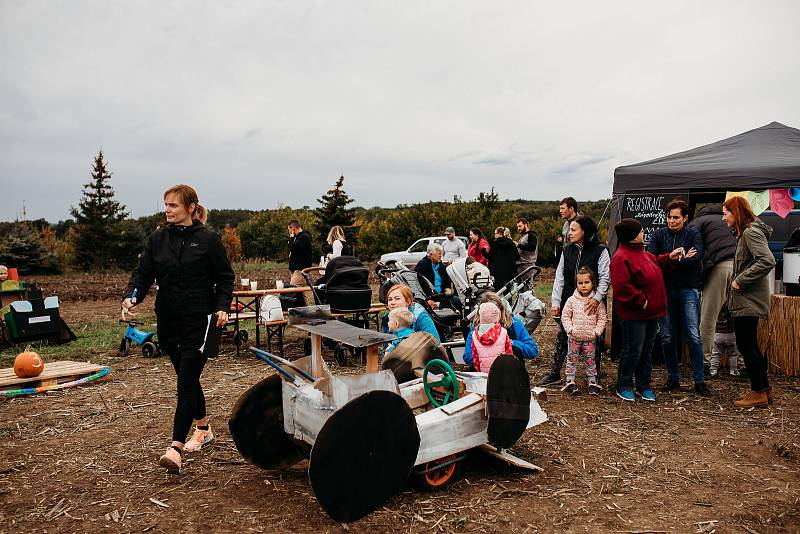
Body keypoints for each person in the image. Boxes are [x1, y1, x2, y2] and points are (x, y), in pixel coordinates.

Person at [121, 184, 234, 474]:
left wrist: (222, 306)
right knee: (188, 378)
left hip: (200, 322)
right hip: (169, 321)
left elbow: (225, 279)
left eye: (173, 205)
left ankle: (175, 448)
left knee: (185, 382)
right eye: (166, 205)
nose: (167, 210)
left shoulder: (209, 240)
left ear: (191, 208)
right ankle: (204, 429)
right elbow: (143, 274)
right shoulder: (157, 240)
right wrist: (131, 296)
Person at [647, 199, 710, 397]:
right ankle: (673, 378)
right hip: (664, 291)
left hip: (687, 290)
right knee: (667, 336)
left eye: (676, 217)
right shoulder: (658, 234)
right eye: (669, 217)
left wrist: (671, 261)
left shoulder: (692, 233)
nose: (671, 221)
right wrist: (672, 257)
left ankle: (699, 380)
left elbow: (696, 259)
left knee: (693, 335)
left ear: (685, 218)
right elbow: (651, 260)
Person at [539, 216, 609, 386]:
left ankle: (593, 377)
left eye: (573, 229)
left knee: (594, 340)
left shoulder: (601, 251)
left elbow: (605, 277)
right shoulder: (567, 250)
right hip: (570, 300)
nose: (569, 233)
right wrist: (556, 302)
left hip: (593, 302)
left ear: (584, 231)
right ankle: (555, 373)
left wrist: (597, 298)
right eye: (569, 229)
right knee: (564, 335)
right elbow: (559, 277)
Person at [722, 196, 776, 408]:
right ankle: (763, 389)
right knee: (751, 344)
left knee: (746, 345)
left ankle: (758, 392)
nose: (723, 217)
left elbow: (767, 260)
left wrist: (739, 280)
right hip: (748, 299)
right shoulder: (746, 233)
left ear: (736, 213)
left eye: (726, 213)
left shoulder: (751, 233)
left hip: (749, 299)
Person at [610, 218, 667, 402]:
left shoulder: (643, 253)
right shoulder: (621, 257)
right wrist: (641, 300)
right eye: (640, 231)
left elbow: (654, 261)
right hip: (634, 313)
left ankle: (644, 385)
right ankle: (624, 384)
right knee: (633, 349)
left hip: (650, 312)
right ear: (631, 236)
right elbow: (622, 287)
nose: (643, 233)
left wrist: (669, 258)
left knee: (647, 349)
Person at [687, 205, 737, 369]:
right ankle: (742, 364)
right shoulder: (729, 220)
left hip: (720, 266)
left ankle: (704, 362)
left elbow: (692, 246)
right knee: (741, 317)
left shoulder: (699, 221)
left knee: (708, 316)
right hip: (741, 266)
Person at [560, 266, 607, 396]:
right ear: (576, 284)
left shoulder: (597, 303)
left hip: (590, 339)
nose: (583, 286)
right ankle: (570, 381)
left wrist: (597, 332)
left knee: (590, 360)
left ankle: (592, 382)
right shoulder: (571, 300)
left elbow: (602, 318)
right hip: (574, 338)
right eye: (580, 283)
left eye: (587, 282)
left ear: (592, 283)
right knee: (571, 359)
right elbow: (565, 316)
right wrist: (570, 329)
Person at [463, 292, 539, 368]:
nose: (490, 315)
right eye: (486, 311)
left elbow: (532, 350)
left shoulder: (514, 323)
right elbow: (467, 356)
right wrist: (487, 351)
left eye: (493, 310)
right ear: (481, 312)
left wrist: (511, 343)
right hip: (484, 374)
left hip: (511, 372)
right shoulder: (476, 328)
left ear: (500, 310)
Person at [468, 301, 513, 373]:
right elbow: (509, 353)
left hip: (484, 373)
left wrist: (479, 371)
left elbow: (475, 358)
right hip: (502, 371)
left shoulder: (474, 336)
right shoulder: (503, 332)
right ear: (497, 316)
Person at [414, 243, 455, 309]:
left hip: (442, 295)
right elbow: (418, 284)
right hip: (430, 297)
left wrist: (448, 288)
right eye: (439, 253)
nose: (441, 256)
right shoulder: (422, 265)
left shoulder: (440, 265)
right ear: (431, 254)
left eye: (441, 253)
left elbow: (447, 280)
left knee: (456, 301)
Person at [709, 304, 742, 378]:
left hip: (718, 334)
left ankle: (713, 369)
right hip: (731, 334)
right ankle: (733, 370)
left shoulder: (716, 308)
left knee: (716, 353)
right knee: (733, 354)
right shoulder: (733, 308)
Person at [287, 220, 313, 304]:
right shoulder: (298, 237)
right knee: (303, 293)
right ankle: (306, 311)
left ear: (293, 228)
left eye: (289, 230)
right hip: (296, 270)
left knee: (292, 290)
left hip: (300, 270)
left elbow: (294, 247)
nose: (289, 232)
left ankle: (293, 310)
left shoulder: (304, 237)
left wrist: (291, 239)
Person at [487, 226, 519, 291]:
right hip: (509, 274)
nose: (495, 235)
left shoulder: (495, 244)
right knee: (508, 294)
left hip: (497, 274)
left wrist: (483, 252)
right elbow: (517, 257)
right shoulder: (512, 244)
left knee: (496, 294)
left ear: (500, 234)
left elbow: (489, 257)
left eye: (495, 233)